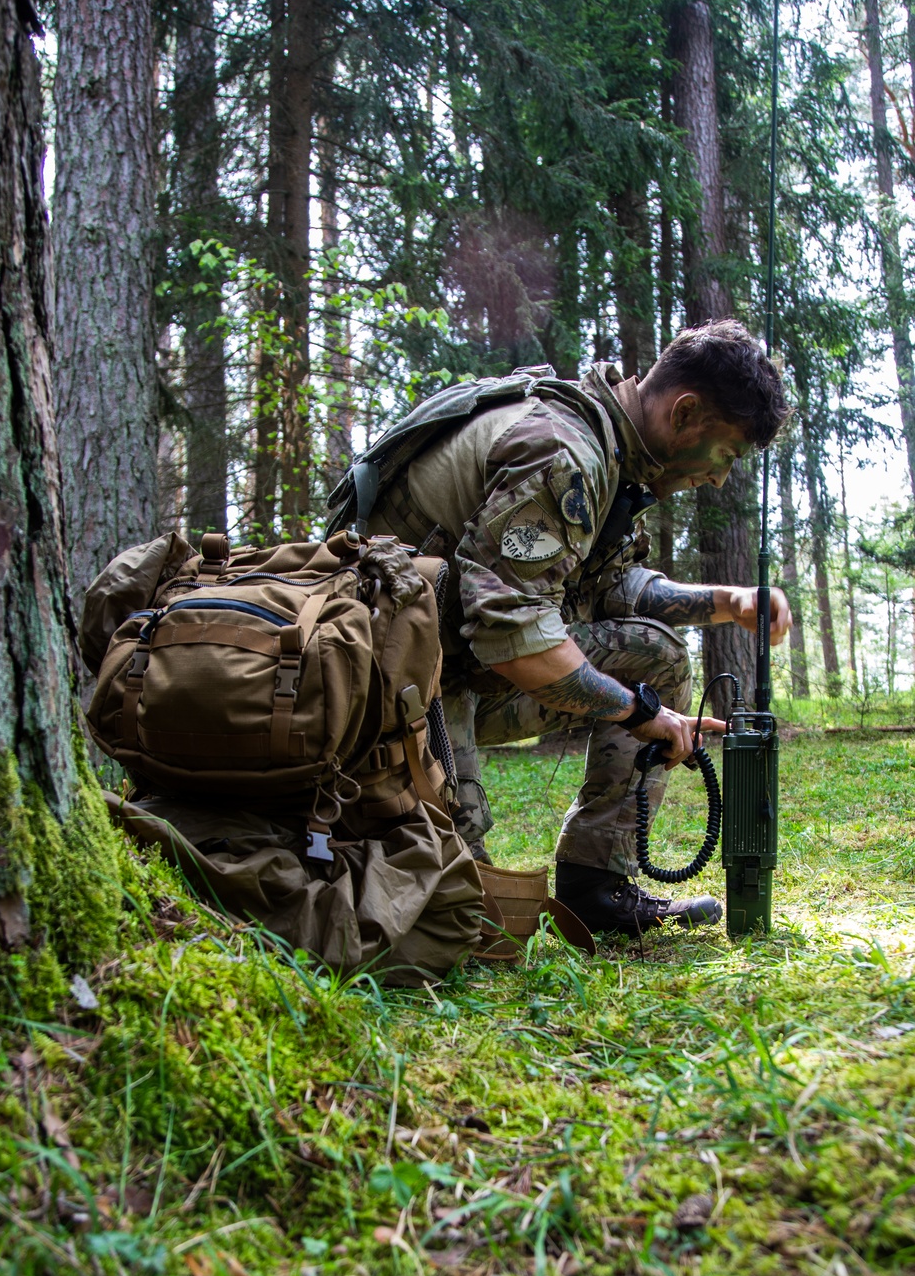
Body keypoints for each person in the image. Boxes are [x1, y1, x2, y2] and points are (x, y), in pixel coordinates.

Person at [335, 319, 792, 936]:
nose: (718, 478)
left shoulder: (609, 454)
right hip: (386, 689)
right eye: (726, 455)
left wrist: (727, 600)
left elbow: (607, 589)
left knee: (653, 654)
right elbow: (511, 633)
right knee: (463, 921)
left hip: (448, 667)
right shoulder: (563, 451)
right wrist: (639, 713)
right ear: (685, 413)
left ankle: (596, 888)